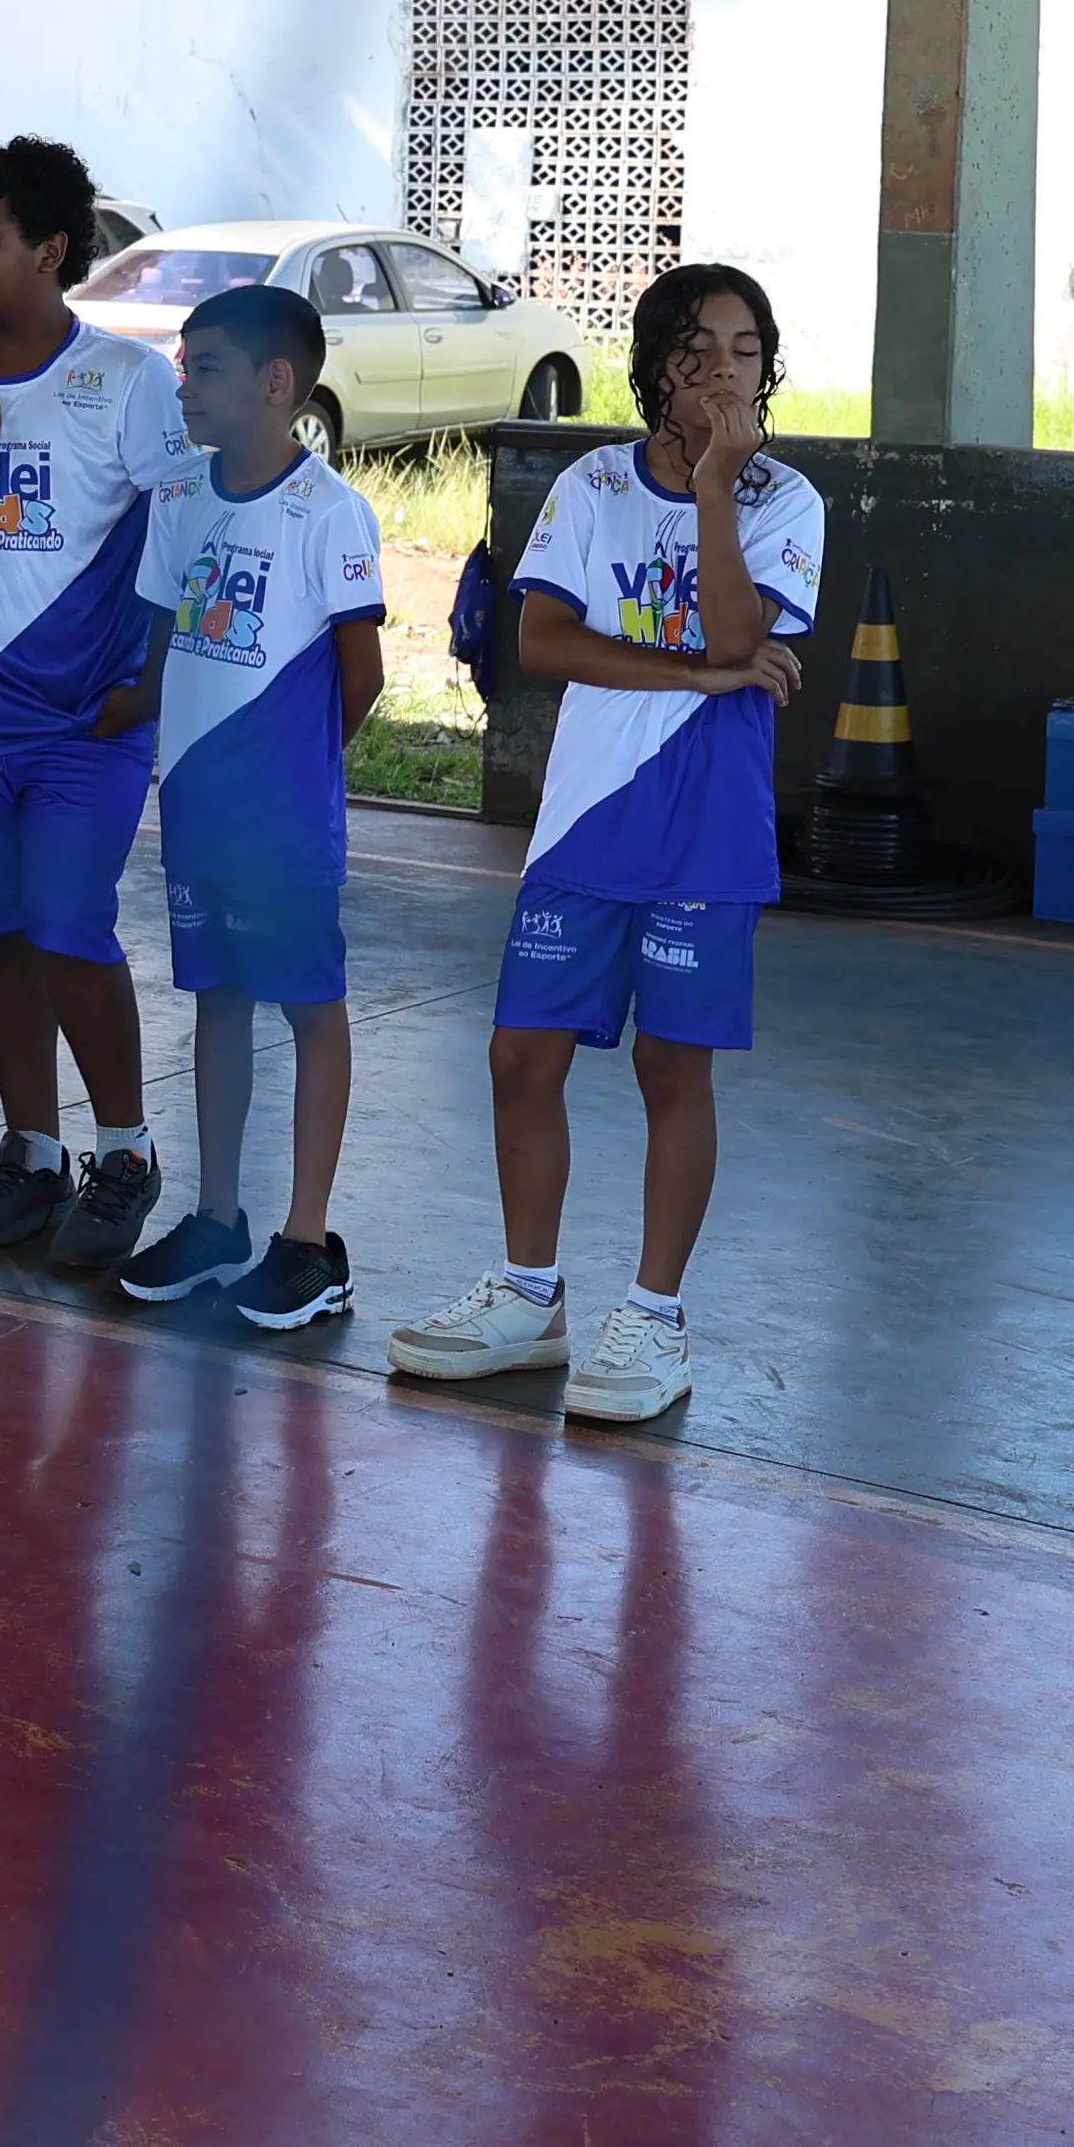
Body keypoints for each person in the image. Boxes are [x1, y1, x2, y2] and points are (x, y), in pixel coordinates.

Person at [385, 263, 816, 1424]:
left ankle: (657, 1313)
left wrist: (718, 493)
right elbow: (545, 640)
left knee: (673, 1068)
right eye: (695, 348)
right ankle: (530, 1296)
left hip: (704, 833)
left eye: (743, 348)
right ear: (653, 366)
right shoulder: (590, 485)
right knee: (521, 1055)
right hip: (583, 822)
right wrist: (707, 671)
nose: (722, 370)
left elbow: (742, 625)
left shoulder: (784, 500)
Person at [0, 137, 185, 1267]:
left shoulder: (126, 379)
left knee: (69, 925)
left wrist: (146, 682)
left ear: (52, 249)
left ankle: (125, 1149)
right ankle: (30, 1150)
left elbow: (178, 529)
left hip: (87, 718)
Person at [104, 284, 387, 1325]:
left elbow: (363, 677)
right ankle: (218, 1217)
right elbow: (160, 654)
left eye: (206, 366)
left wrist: (296, 772)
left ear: (278, 383)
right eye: (182, 364)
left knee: (310, 1008)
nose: (186, 383)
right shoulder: (180, 500)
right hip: (198, 814)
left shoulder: (330, 514)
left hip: (282, 822)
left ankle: (308, 1241)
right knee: (217, 998)